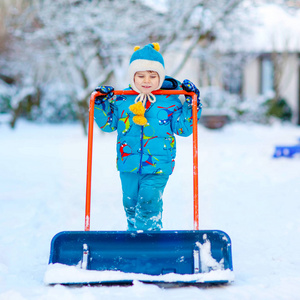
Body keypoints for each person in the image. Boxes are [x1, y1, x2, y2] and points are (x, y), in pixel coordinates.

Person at [94, 43, 202, 231]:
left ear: (160, 77)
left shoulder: (170, 100)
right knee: (130, 205)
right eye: (141, 75)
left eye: (153, 76)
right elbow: (108, 124)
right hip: (128, 163)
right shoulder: (122, 99)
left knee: (148, 203)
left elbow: (183, 128)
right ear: (132, 76)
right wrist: (101, 103)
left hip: (159, 164)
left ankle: (151, 240)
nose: (147, 81)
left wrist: (192, 104)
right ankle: (134, 240)